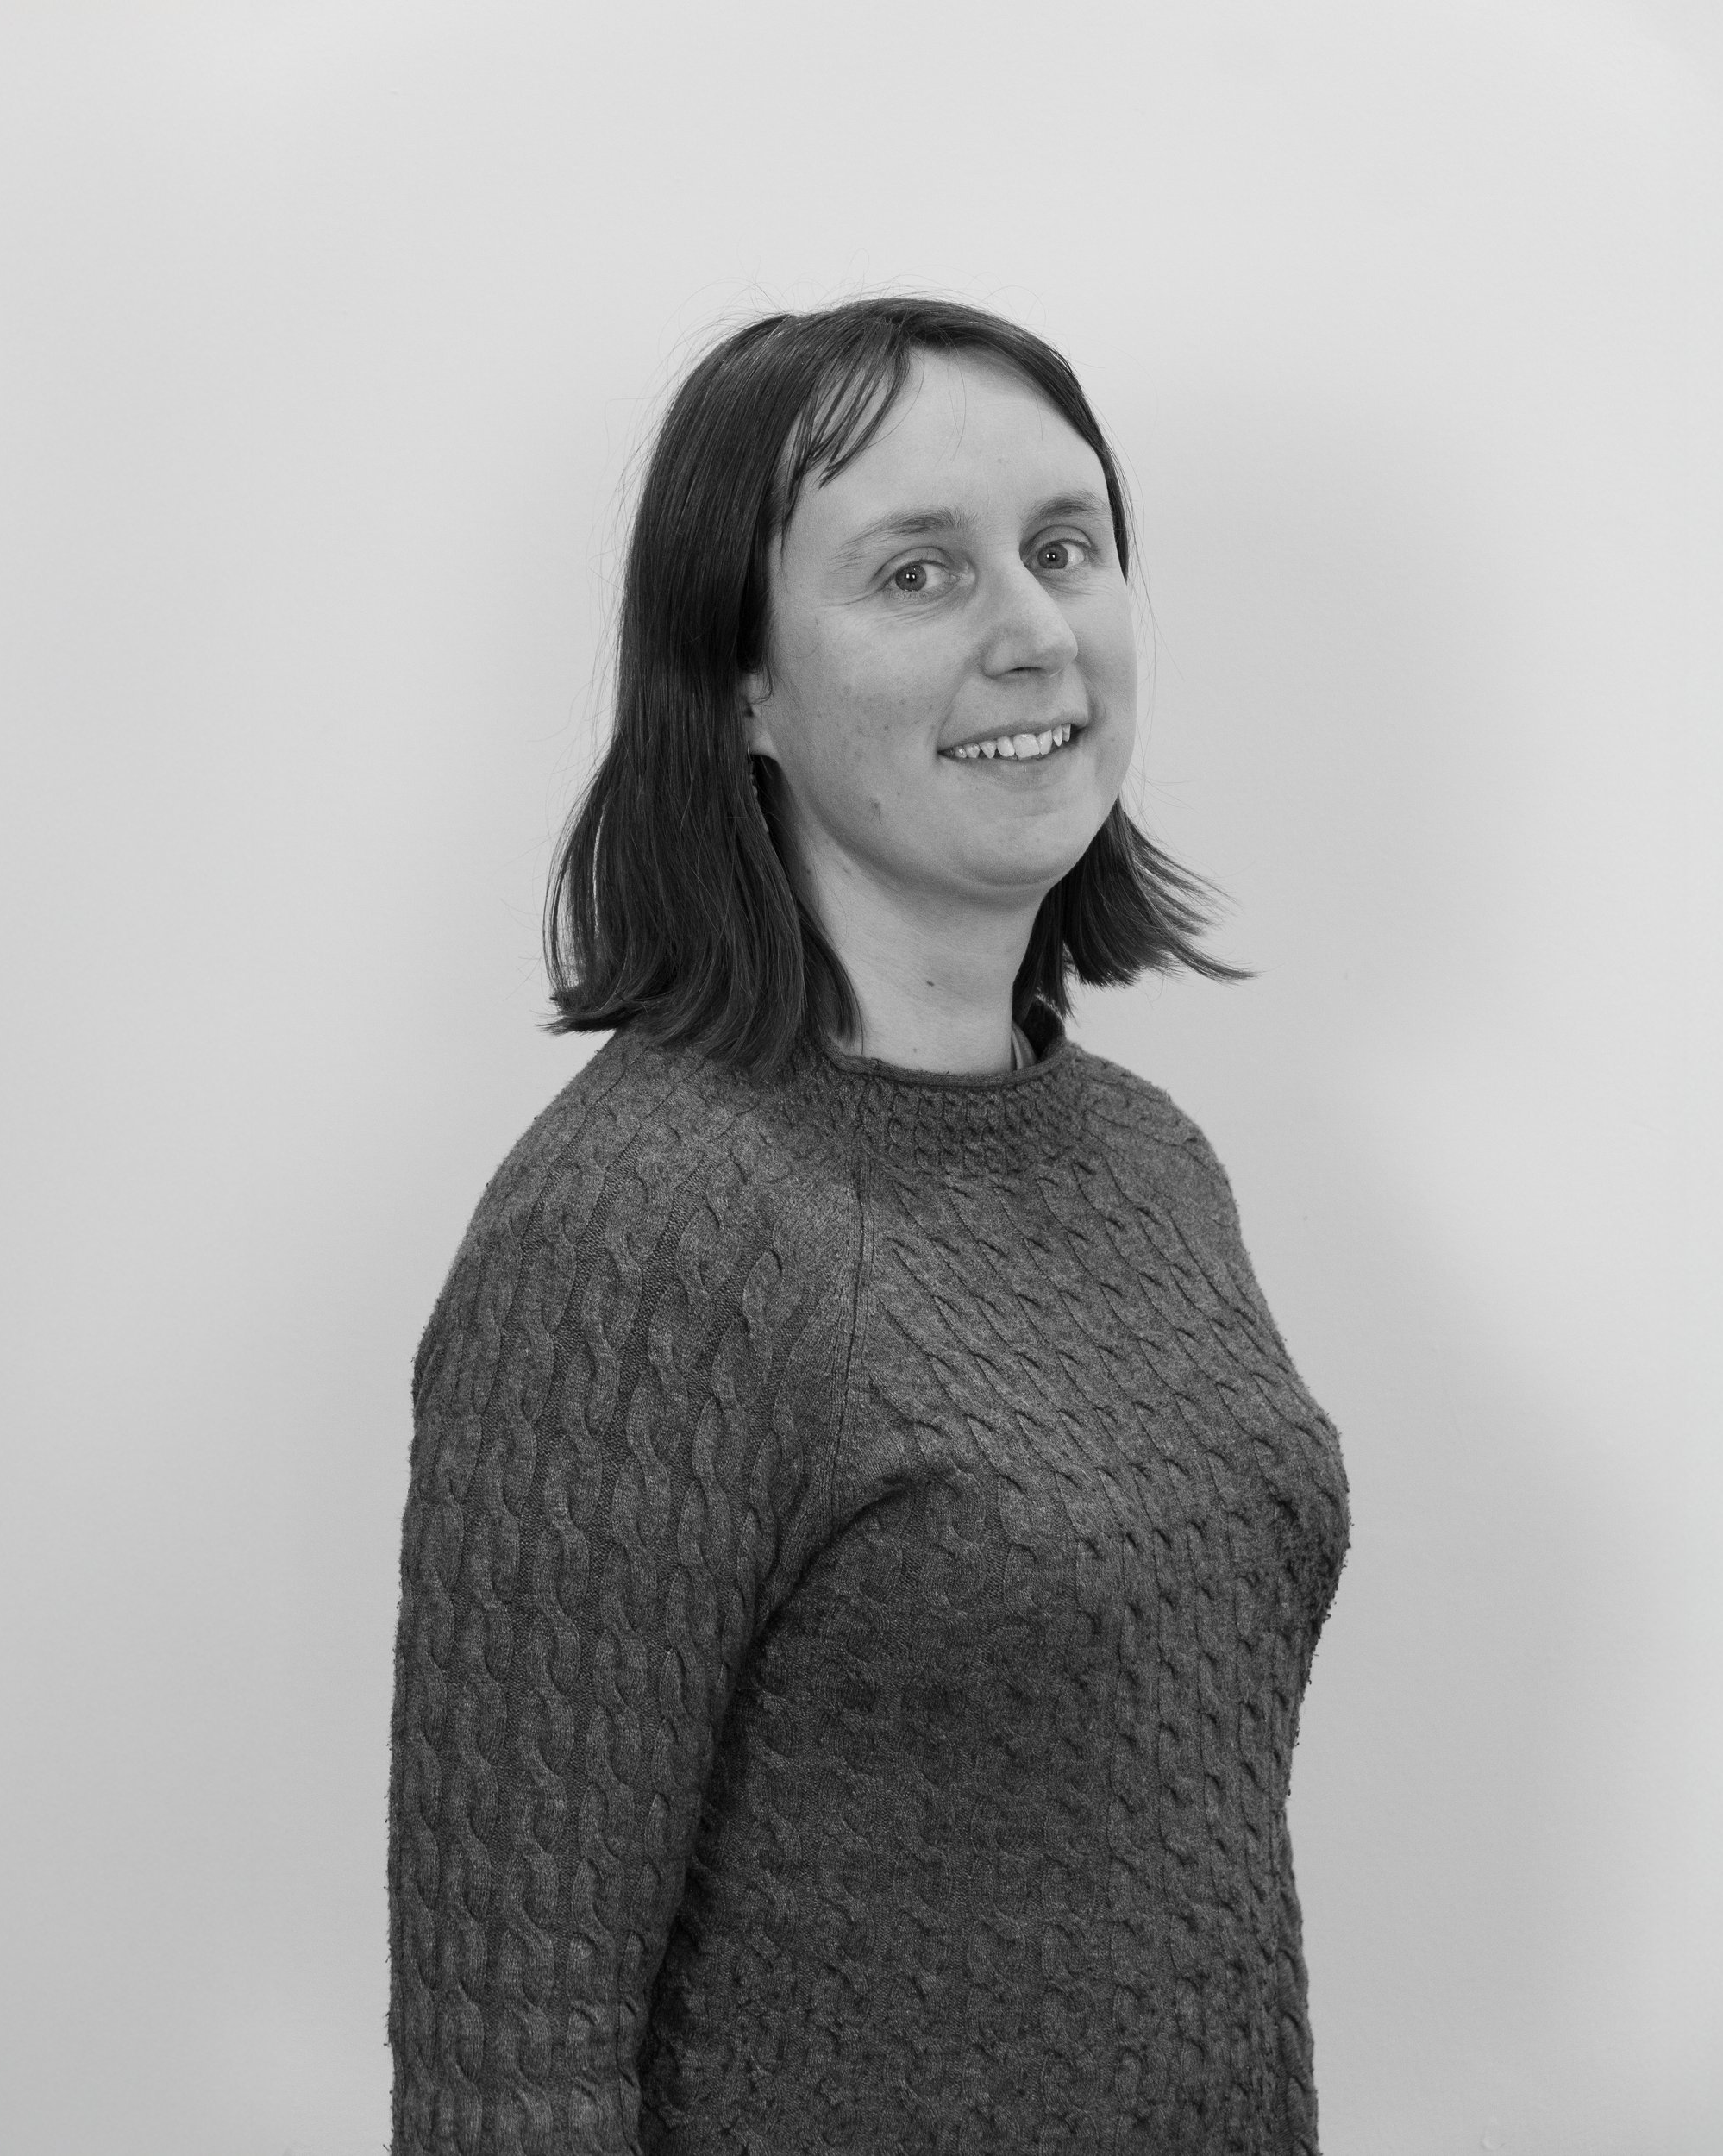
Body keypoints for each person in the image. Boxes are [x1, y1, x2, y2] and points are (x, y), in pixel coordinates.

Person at [386, 295, 1352, 2154]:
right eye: (917, 574)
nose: (1031, 629)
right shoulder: (639, 1233)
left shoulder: (1143, 1161)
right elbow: (508, 2069)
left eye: (1064, 548)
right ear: (737, 683)